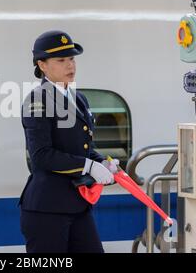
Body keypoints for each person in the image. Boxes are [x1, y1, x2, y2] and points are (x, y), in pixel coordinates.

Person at [19, 30, 119, 253]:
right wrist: (88, 166)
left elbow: (84, 146)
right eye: (61, 60)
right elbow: (41, 155)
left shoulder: (78, 98)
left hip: (77, 206)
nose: (70, 65)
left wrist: (101, 162)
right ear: (42, 65)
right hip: (47, 209)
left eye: (72, 59)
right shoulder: (37, 100)